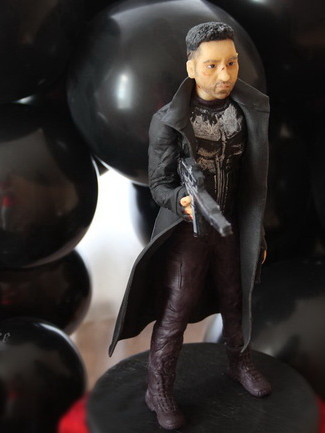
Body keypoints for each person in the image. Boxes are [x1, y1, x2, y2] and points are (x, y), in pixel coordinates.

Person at [108, 22, 272, 430]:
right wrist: (182, 200)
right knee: (175, 311)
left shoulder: (246, 111)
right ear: (192, 68)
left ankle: (239, 362)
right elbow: (159, 185)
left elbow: (252, 186)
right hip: (188, 234)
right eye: (212, 65)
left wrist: (257, 233)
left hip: (229, 227)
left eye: (231, 63)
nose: (224, 75)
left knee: (236, 300)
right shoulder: (169, 122)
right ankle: (158, 388)